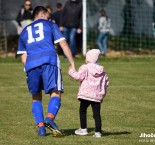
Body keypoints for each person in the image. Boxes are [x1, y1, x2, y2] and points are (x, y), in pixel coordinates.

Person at [17, 6, 75, 137]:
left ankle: (41, 128)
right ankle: (49, 118)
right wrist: (72, 63)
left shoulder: (24, 31)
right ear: (42, 15)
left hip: (31, 64)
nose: (49, 18)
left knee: (36, 96)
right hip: (49, 61)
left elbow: (23, 56)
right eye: (48, 16)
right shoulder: (50, 24)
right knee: (56, 93)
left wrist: (29, 68)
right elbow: (63, 44)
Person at [68, 49, 109, 138]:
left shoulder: (85, 67)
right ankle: (98, 132)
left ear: (89, 58)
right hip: (97, 97)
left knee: (82, 111)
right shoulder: (102, 72)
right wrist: (102, 95)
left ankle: (83, 129)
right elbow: (105, 84)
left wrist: (71, 71)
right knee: (97, 114)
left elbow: (78, 77)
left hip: (85, 95)